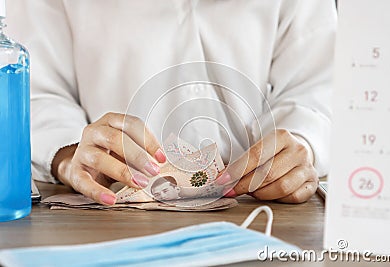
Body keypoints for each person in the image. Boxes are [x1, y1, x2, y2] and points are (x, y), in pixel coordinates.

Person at [7, 1, 337, 205]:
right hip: (114, 214)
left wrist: (301, 148)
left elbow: (317, 88)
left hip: (260, 209)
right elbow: (35, 93)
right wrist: (72, 154)